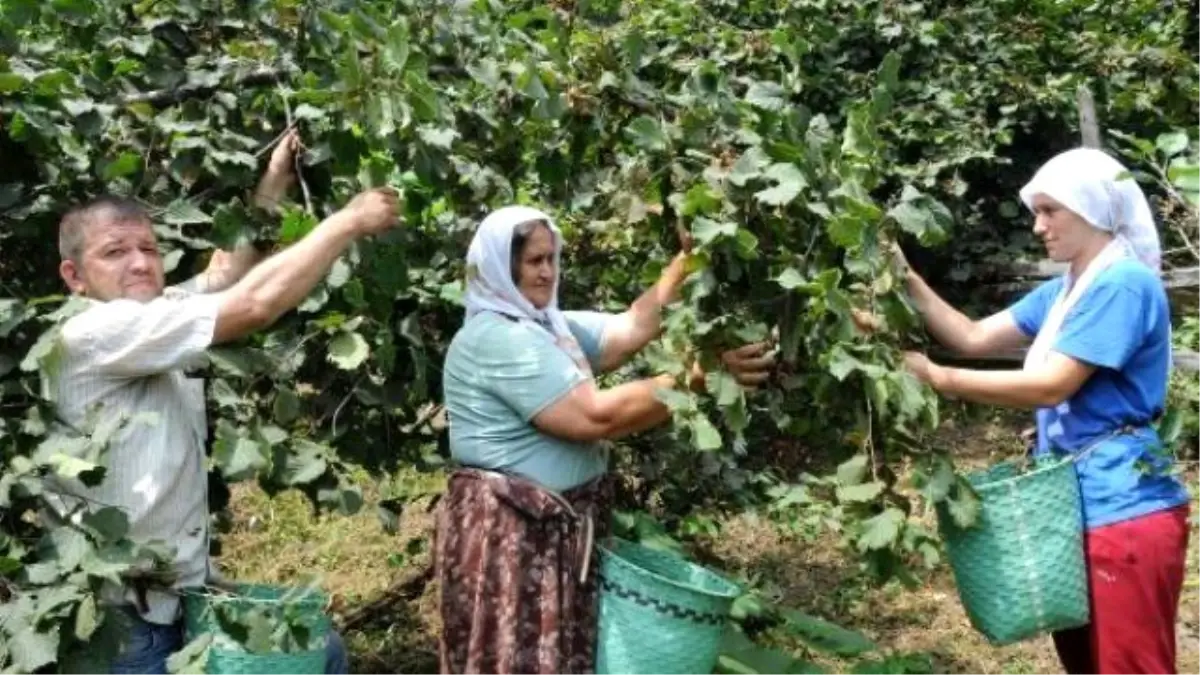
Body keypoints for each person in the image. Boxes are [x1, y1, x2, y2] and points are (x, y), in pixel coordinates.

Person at [43, 129, 402, 674]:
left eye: (149, 249)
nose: (140, 263)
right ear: (75, 277)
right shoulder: (93, 331)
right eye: (115, 252)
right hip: (120, 626)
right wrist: (346, 223)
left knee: (323, 651)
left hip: (174, 604)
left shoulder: (153, 313)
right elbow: (252, 303)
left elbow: (226, 274)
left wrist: (275, 178)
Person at [435, 205, 776, 675]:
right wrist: (700, 376)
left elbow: (630, 327)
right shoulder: (497, 339)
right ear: (500, 266)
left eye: (552, 258)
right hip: (514, 537)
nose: (548, 271)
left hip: (550, 533)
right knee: (517, 658)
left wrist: (688, 258)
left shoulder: (548, 327)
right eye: (535, 261)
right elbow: (594, 417)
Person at [898, 147, 1190, 674]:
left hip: (1124, 507)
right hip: (1074, 505)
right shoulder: (1066, 292)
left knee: (1129, 665)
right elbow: (972, 336)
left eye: (1050, 211)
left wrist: (938, 378)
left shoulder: (1122, 284)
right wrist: (905, 280)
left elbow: (1052, 385)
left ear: (1092, 210)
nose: (1038, 226)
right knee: (1086, 662)